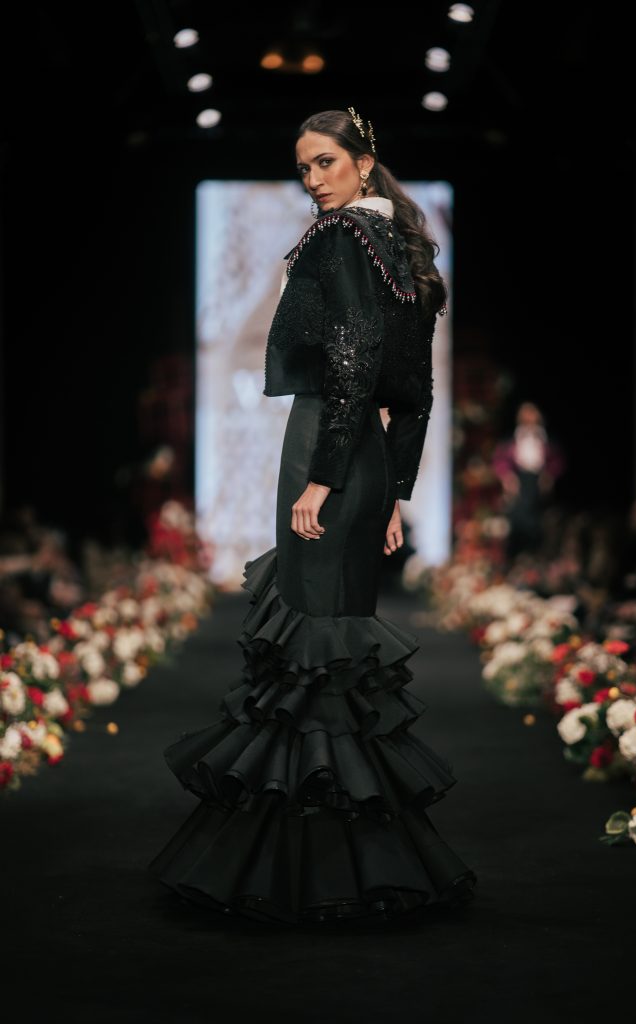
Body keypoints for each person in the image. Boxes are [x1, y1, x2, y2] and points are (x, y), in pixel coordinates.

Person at [148, 107, 478, 924]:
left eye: (325, 161)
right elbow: (414, 390)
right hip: (364, 460)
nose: (312, 179)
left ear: (364, 162)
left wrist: (322, 480)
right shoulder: (402, 244)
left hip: (325, 450)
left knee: (311, 654)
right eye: (303, 166)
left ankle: (309, 868)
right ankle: (353, 858)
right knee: (333, 654)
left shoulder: (340, 238)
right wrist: (392, 489)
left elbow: (354, 364)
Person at [492, 401, 565, 565]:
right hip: (519, 480)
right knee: (517, 518)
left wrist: (549, 475)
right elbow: (500, 460)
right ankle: (517, 558)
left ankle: (535, 558)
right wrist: (507, 477)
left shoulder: (547, 439)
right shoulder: (511, 439)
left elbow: (557, 460)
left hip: (538, 482)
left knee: (538, 521)